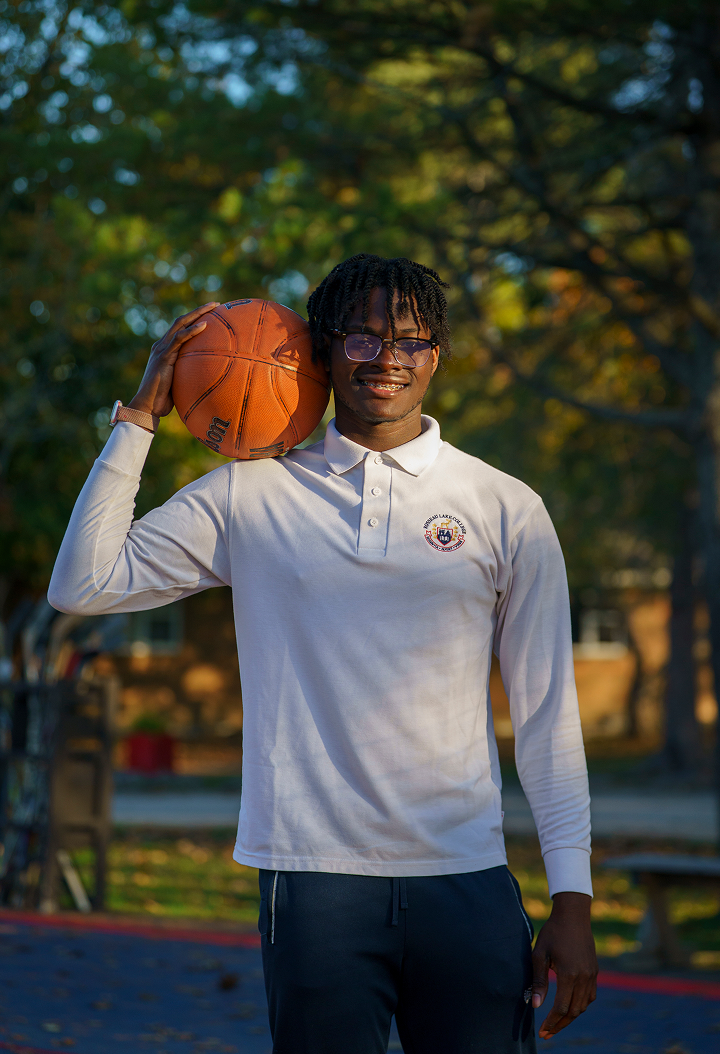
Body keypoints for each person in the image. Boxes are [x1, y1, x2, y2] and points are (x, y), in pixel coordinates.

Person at [49, 252, 597, 1053]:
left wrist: (573, 900)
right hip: (313, 878)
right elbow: (83, 583)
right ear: (325, 350)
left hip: (466, 873)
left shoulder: (505, 506)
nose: (388, 360)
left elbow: (549, 715)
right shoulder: (249, 495)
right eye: (364, 339)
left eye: (410, 340)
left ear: (436, 355)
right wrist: (138, 418)